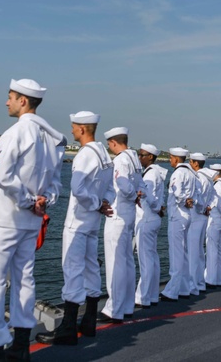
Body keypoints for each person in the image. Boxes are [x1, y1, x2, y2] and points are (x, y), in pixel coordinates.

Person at [0, 79, 64, 362]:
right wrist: (43, 201)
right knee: (24, 280)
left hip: (6, 218)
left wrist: (27, 200)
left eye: (10, 97)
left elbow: (3, 176)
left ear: (23, 101)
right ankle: (21, 345)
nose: (7, 102)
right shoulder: (51, 141)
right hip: (31, 222)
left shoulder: (15, 133)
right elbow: (55, 184)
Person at [55, 111, 113, 346]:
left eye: (73, 127)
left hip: (78, 221)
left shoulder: (85, 154)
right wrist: (102, 203)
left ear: (81, 129)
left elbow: (78, 189)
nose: (71, 131)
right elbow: (111, 189)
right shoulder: (104, 155)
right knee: (91, 268)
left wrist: (97, 203)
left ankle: (68, 328)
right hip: (93, 223)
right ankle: (88, 321)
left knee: (72, 269)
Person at [100, 127, 141, 323]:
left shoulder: (121, 160)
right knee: (127, 261)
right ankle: (126, 305)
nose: (109, 147)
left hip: (117, 215)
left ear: (114, 143)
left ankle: (113, 308)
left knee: (115, 262)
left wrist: (133, 196)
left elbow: (124, 187)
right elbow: (142, 186)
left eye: (109, 144)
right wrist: (138, 196)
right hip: (129, 215)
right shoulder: (134, 159)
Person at [161, 147, 196, 300]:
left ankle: (171, 291)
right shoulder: (191, 173)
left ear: (176, 158)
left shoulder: (179, 173)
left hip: (178, 215)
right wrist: (188, 201)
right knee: (184, 253)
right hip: (186, 215)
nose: (170, 160)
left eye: (170, 158)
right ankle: (184, 288)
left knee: (176, 253)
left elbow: (176, 193)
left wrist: (183, 201)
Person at [134, 143, 166, 307]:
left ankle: (142, 297)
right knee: (152, 258)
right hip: (153, 219)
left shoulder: (150, 175)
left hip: (147, 218)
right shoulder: (157, 173)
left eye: (142, 155)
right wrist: (159, 207)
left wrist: (155, 207)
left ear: (151, 157)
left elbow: (150, 197)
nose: (139, 158)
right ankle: (152, 294)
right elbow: (162, 196)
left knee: (145, 260)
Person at [187, 152, 213, 294]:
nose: (190, 164)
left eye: (191, 162)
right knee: (199, 252)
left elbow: (196, 198)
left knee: (192, 251)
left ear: (196, 163)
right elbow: (212, 197)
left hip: (196, 216)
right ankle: (200, 283)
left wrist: (196, 203)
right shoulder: (208, 179)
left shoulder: (198, 178)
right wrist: (208, 207)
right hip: (203, 217)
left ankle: (192, 285)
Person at [204, 164, 221, 287]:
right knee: (220, 251)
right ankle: (220, 279)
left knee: (212, 250)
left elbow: (218, 204)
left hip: (216, 220)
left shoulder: (218, 186)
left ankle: (211, 279)